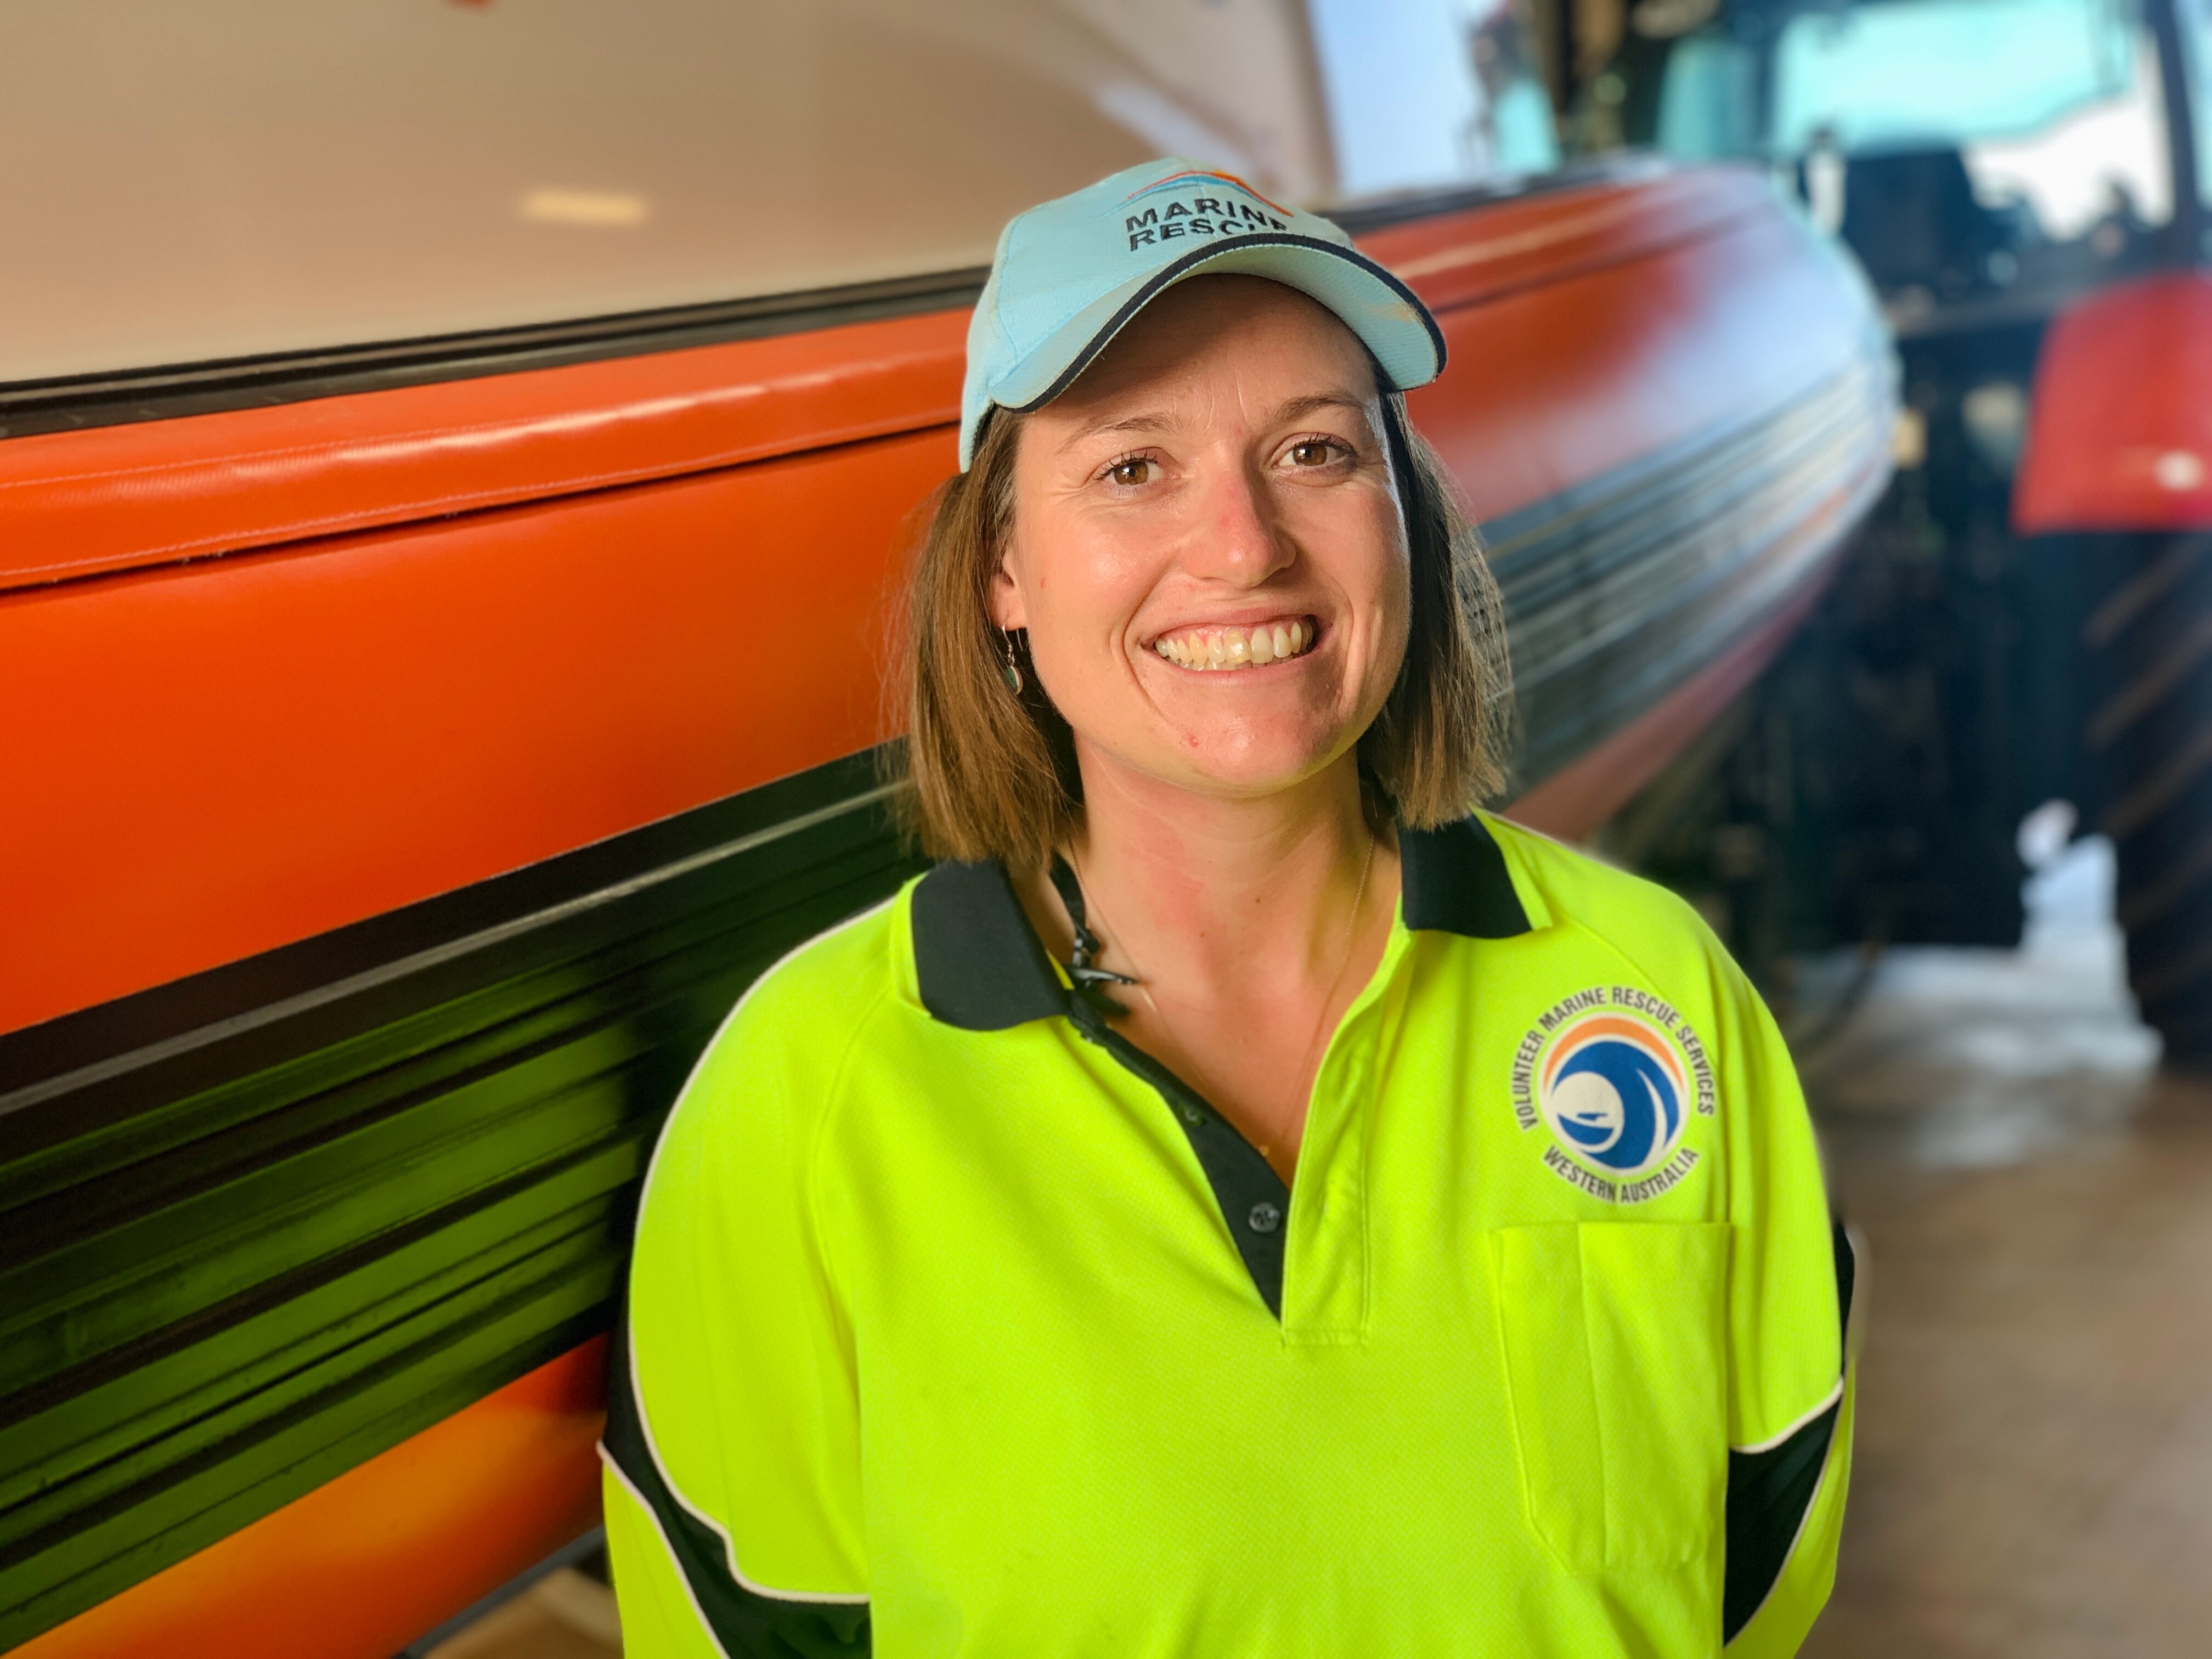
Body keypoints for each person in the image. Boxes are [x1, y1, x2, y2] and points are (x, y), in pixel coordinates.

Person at [599, 157, 1854, 1658]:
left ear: (1407, 515)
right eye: (1134, 468)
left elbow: (1761, 1567)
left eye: (1316, 452)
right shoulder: (803, 1098)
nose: (1246, 547)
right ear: (1002, 568)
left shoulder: (1658, 997)